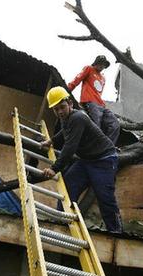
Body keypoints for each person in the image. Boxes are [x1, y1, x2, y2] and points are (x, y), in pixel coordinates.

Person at [41, 86, 123, 233]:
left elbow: (70, 147)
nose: (59, 111)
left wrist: (54, 168)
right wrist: (52, 141)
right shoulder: (65, 118)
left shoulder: (78, 117)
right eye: (56, 109)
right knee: (68, 185)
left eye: (62, 107)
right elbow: (64, 131)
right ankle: (63, 220)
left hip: (104, 160)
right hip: (86, 160)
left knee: (105, 197)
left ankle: (116, 231)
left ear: (70, 104)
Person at [67, 55, 120, 144]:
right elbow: (77, 79)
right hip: (90, 101)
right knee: (96, 124)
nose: (101, 66)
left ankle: (108, 146)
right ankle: (94, 146)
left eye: (103, 64)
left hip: (101, 105)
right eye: (100, 63)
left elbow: (98, 93)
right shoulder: (89, 69)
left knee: (115, 124)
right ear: (96, 63)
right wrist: (66, 90)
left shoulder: (103, 78)